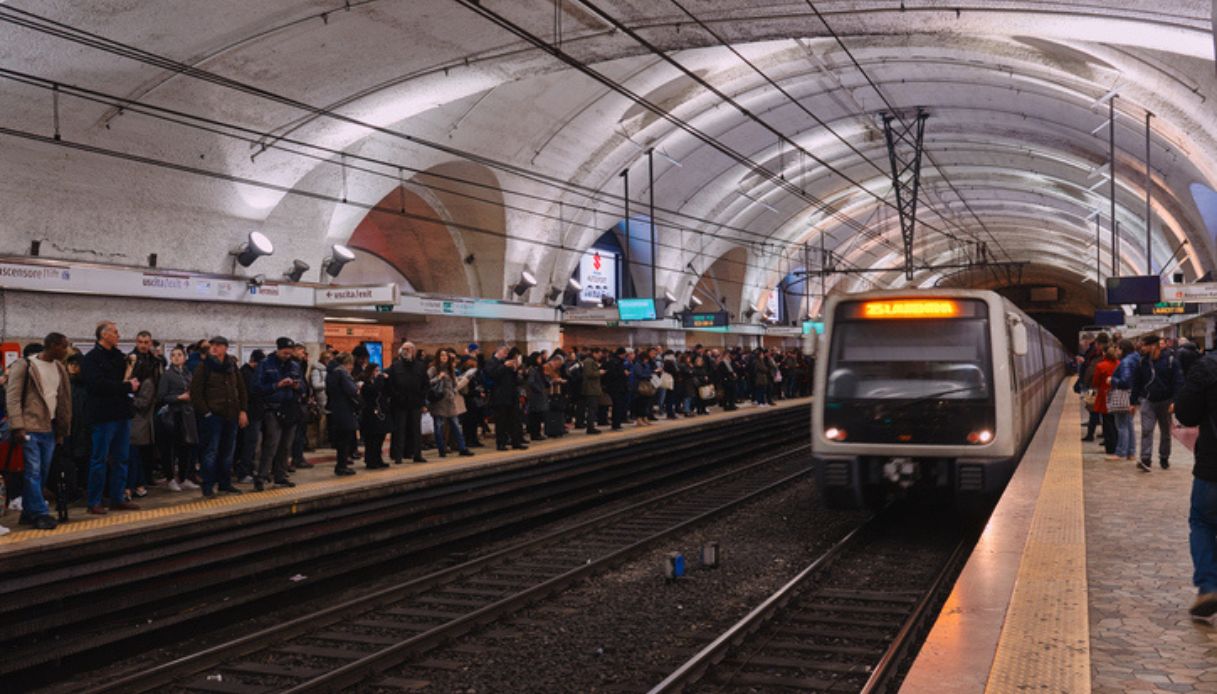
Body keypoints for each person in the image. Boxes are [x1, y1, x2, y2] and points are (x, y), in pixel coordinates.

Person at [5, 333, 72, 530]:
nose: (66, 350)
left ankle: (28, 512)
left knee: (42, 472)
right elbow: (13, 397)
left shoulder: (59, 368)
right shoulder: (25, 365)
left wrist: (62, 429)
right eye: (63, 346)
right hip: (30, 427)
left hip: (49, 428)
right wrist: (17, 425)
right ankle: (40, 513)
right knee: (33, 471)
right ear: (51, 345)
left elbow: (64, 400)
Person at [1172, 344, 1217, 622]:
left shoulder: (1207, 367)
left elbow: (1186, 415)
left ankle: (1209, 587)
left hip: (1212, 468)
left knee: (1201, 522)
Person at [83, 321, 141, 514]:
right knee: (99, 459)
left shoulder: (119, 357)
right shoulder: (91, 359)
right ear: (104, 335)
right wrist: (126, 387)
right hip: (103, 416)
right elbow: (97, 385)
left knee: (121, 458)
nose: (118, 335)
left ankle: (118, 497)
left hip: (121, 414)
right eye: (115, 332)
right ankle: (94, 501)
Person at [189, 336, 247, 498]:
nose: (214, 348)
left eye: (218, 345)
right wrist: (206, 413)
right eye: (212, 345)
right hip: (213, 416)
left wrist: (243, 410)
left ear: (225, 348)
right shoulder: (204, 367)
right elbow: (196, 393)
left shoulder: (232, 366)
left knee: (228, 451)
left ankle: (225, 483)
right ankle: (207, 486)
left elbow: (241, 389)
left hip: (231, 415)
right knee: (211, 451)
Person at [254, 337, 303, 490]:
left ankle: (280, 476)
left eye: (290, 354)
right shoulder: (265, 364)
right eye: (284, 353)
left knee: (286, 445)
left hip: (290, 408)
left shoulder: (295, 366)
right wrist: (277, 385)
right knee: (272, 444)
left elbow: (304, 387)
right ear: (278, 350)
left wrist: (297, 387)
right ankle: (261, 477)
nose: (287, 356)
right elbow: (257, 387)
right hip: (272, 408)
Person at [1134, 335, 1185, 472]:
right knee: (1146, 430)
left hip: (1166, 401)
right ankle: (1145, 459)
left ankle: (1164, 456)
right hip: (1148, 400)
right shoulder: (1142, 362)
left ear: (1153, 346)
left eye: (1144, 345)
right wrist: (1133, 402)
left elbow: (1178, 382)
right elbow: (1137, 383)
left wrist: (1175, 401)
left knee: (1165, 432)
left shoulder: (1170, 361)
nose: (1141, 348)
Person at [157, 346, 199, 492]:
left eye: (179, 355)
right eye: (173, 355)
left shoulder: (188, 373)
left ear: (184, 357)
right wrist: (178, 397)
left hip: (187, 414)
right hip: (173, 414)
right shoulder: (167, 375)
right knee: (170, 448)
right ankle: (170, 478)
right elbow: (161, 397)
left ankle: (184, 477)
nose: (176, 357)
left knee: (185, 447)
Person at [126, 331, 162, 499]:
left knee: (138, 452)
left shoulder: (155, 363)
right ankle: (138, 483)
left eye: (146, 342)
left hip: (144, 412)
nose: (143, 345)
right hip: (136, 412)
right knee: (134, 452)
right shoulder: (129, 359)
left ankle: (139, 482)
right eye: (140, 341)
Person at [428, 349, 474, 457]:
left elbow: (454, 385)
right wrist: (438, 378)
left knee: (456, 425)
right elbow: (426, 382)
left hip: (449, 401)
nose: (444, 357)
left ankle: (462, 448)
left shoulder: (450, 369)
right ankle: (441, 449)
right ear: (438, 357)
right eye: (442, 355)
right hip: (438, 401)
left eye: (446, 355)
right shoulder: (433, 369)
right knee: (439, 426)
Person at [388, 341, 428, 464]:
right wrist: (396, 396)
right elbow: (390, 385)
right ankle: (398, 456)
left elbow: (425, 384)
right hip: (400, 403)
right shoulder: (395, 366)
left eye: (409, 349)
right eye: (404, 349)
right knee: (399, 430)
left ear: (414, 351)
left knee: (416, 430)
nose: (406, 351)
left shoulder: (420, 366)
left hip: (415, 403)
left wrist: (422, 400)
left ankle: (417, 454)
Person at [325, 352, 360, 476]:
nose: (351, 367)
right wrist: (357, 387)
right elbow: (351, 390)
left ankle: (341, 465)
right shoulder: (342, 373)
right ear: (347, 363)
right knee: (345, 439)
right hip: (345, 409)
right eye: (350, 364)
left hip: (336, 408)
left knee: (341, 439)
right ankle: (341, 466)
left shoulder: (331, 373)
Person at [488, 347, 526, 451]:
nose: (506, 355)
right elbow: (492, 375)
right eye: (504, 352)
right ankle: (501, 443)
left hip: (511, 395)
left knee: (514, 419)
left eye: (507, 353)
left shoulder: (506, 362)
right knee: (501, 421)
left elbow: (514, 380)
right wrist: (504, 366)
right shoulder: (492, 362)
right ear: (498, 351)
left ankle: (516, 442)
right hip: (500, 397)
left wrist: (515, 369)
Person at [235, 349, 265, 483]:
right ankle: (243, 472)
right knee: (249, 443)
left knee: (251, 444)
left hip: (255, 412)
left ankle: (249, 469)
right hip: (250, 413)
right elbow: (248, 394)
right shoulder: (246, 374)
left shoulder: (249, 372)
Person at [1108, 338, 1139, 462]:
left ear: (1122, 349)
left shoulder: (1126, 362)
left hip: (1124, 395)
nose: (1116, 351)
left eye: (1118, 348)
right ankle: (1131, 452)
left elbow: (1125, 381)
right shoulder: (1135, 358)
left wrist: (1112, 380)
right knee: (1129, 424)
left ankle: (1120, 453)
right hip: (1132, 394)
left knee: (1122, 425)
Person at [359, 363, 390, 469]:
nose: (378, 373)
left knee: (380, 437)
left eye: (379, 370)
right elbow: (373, 391)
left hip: (381, 412)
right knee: (372, 438)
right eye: (375, 371)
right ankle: (371, 460)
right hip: (370, 413)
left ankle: (378, 458)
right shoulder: (366, 383)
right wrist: (380, 379)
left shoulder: (380, 382)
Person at [1092, 346, 1120, 456]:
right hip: (1118, 397)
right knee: (1117, 423)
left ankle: (1110, 448)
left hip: (1105, 397)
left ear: (1105, 355)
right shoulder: (1120, 364)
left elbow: (1095, 382)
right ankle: (1119, 445)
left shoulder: (1100, 366)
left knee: (1107, 424)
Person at [524, 352, 550, 441]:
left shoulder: (538, 369)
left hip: (539, 394)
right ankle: (535, 434)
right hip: (536, 396)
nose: (540, 360)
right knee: (535, 415)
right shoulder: (533, 369)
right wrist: (539, 389)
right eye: (538, 358)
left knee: (538, 415)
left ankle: (537, 433)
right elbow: (531, 382)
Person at [580, 348, 605, 435]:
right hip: (591, 389)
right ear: (594, 353)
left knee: (593, 408)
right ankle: (590, 427)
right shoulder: (588, 361)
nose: (599, 356)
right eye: (599, 354)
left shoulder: (590, 361)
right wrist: (599, 372)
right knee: (592, 408)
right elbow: (589, 374)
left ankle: (591, 426)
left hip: (593, 388)